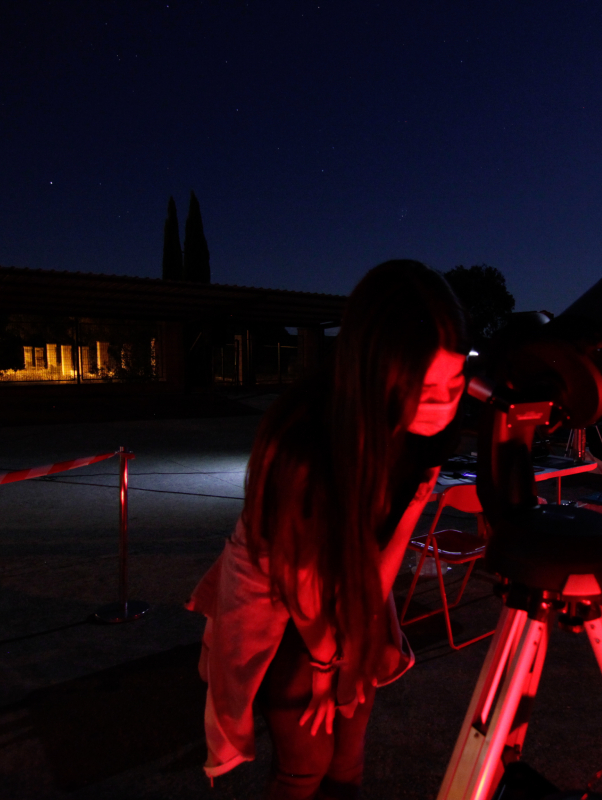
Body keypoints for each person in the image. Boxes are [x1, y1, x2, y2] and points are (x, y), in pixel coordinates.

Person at [187, 260, 469, 798]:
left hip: (346, 597)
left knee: (349, 754)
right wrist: (324, 668)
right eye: (424, 386)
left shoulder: (415, 431)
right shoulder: (302, 444)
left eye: (455, 383)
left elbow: (372, 570)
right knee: (305, 765)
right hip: (285, 605)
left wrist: (415, 500)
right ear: (376, 369)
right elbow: (301, 583)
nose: (443, 405)